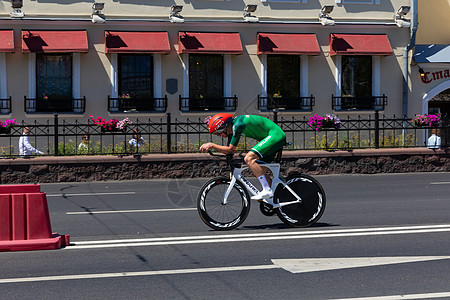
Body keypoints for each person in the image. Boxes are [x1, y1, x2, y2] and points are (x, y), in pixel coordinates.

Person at [200, 113, 286, 200]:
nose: (218, 135)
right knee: (259, 171)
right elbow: (229, 151)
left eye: (218, 132)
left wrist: (212, 145)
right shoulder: (234, 126)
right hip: (270, 137)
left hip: (275, 135)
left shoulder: (238, 125)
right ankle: (277, 198)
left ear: (224, 127)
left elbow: (230, 149)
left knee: (249, 159)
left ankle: (267, 190)